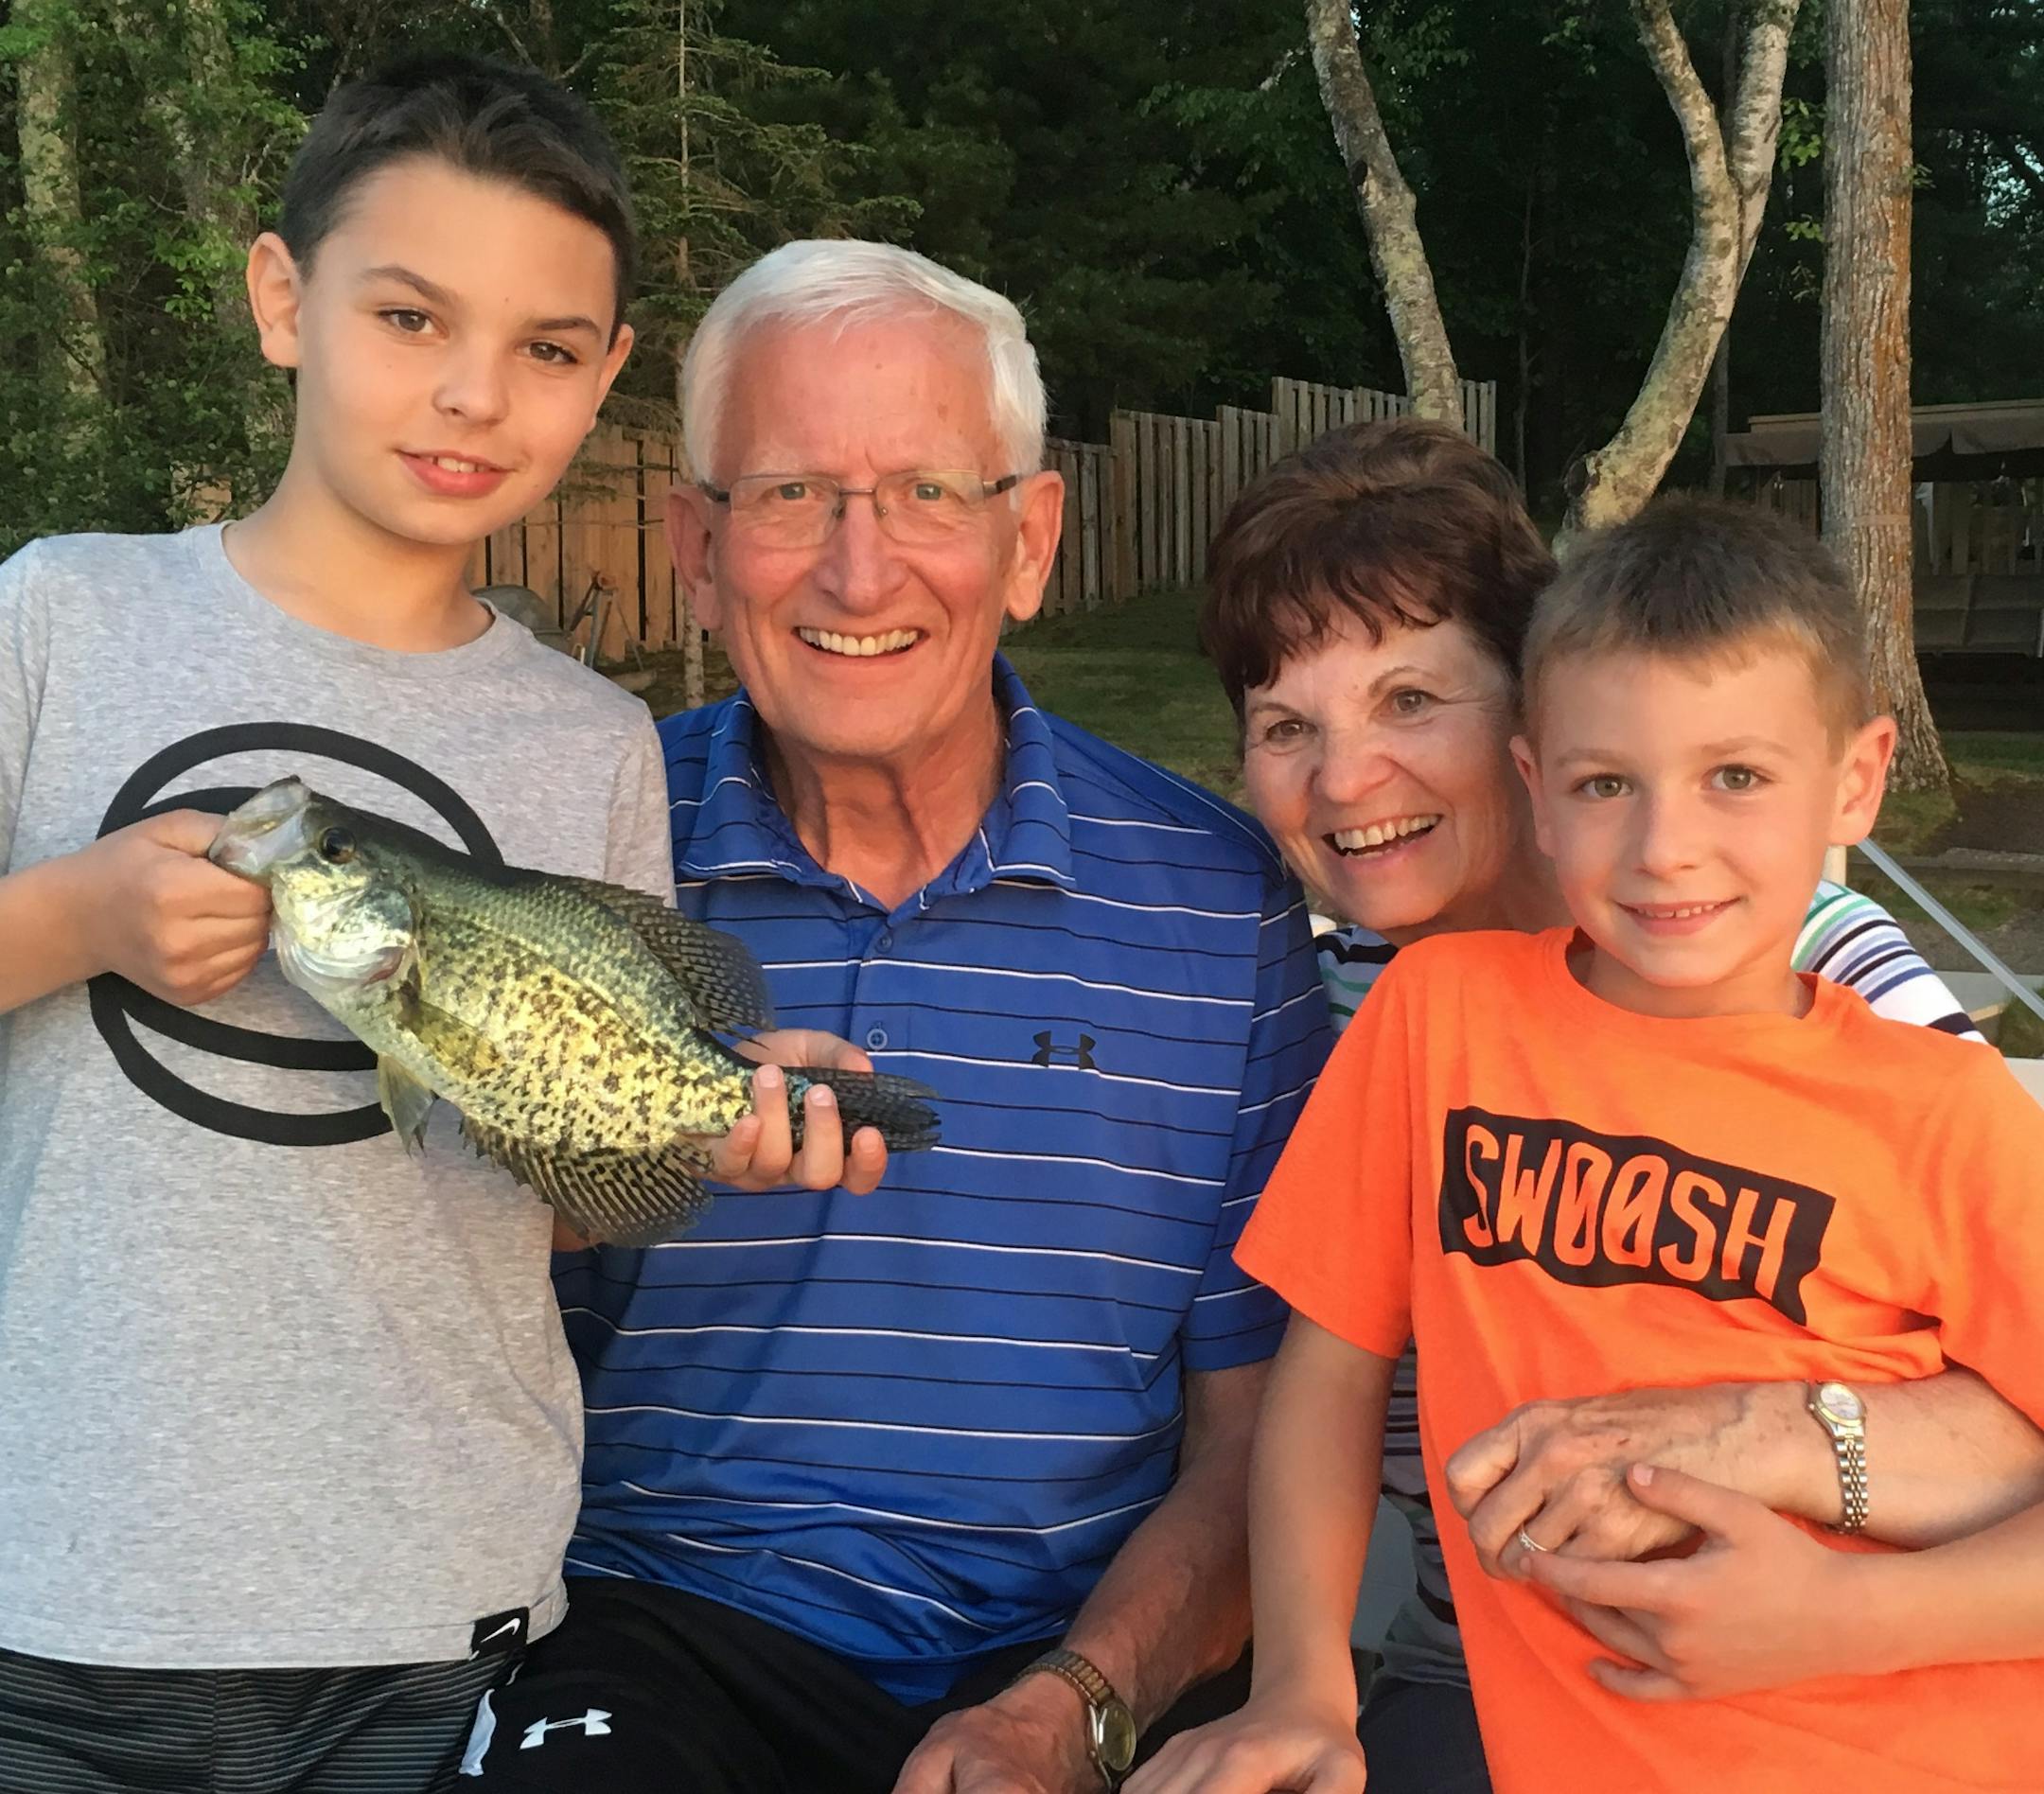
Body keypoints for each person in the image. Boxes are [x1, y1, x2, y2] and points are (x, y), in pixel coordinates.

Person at [0, 55, 860, 1793]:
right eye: (408, 316)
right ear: (280, 300)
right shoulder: (61, 618)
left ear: (607, 374)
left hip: (440, 1585)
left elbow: (539, 1215)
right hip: (72, 1577)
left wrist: (701, 1122)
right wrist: (80, 914)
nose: (473, 395)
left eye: (547, 349)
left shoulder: (590, 739)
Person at [463, 239, 1332, 1794]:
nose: (859, 573)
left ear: (1030, 540)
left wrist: (1075, 1708)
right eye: (790, 494)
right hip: (665, 1628)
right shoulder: (586, 856)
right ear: (694, 544)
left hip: (1085, 1654)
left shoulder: (1220, 904)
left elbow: (1260, 1445)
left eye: (931, 493)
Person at [1133, 495, 2044, 1794]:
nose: (1668, 847)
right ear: (1540, 790)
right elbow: (1323, 1379)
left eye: (1736, 776)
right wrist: (1303, 1691)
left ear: (1856, 778)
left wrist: (1838, 1613)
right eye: (1608, 784)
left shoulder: (1931, 1105)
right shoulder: (1433, 1021)